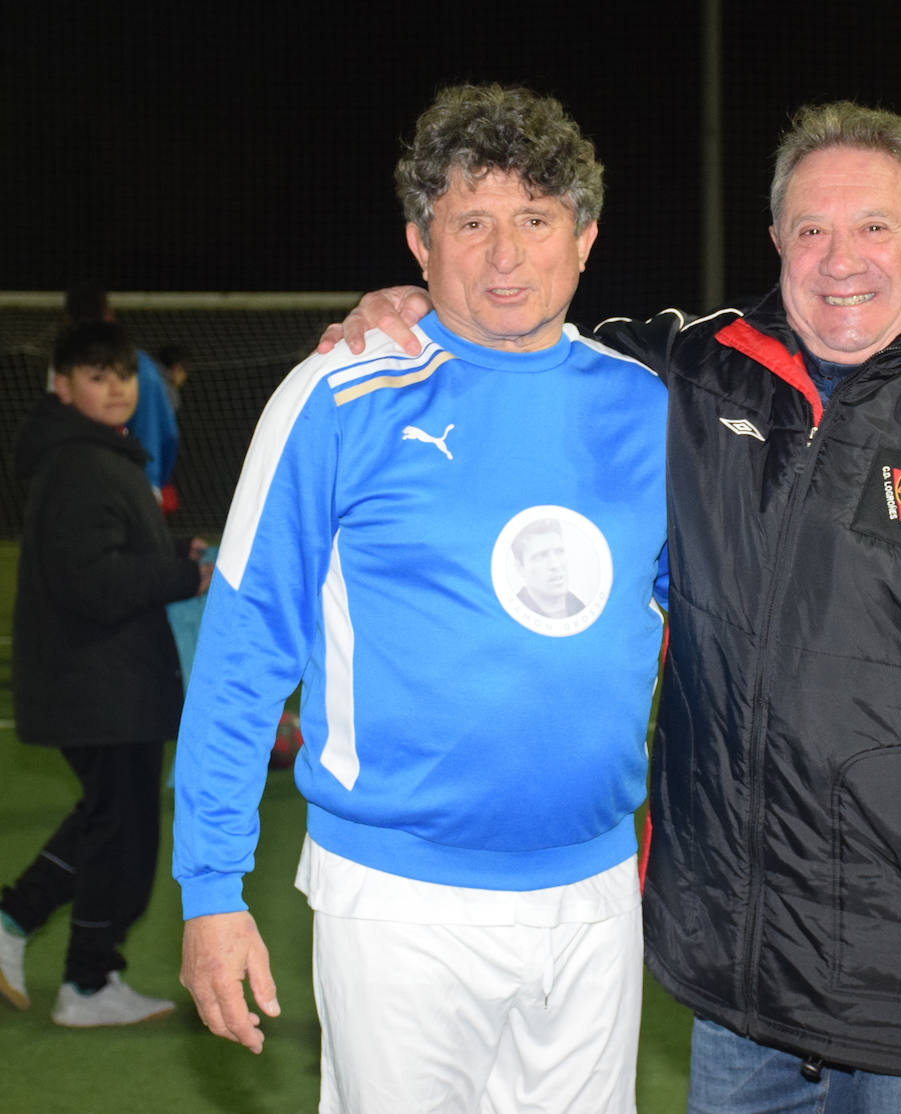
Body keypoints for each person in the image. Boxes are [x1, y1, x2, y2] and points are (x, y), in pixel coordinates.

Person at [329, 100, 901, 1113]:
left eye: (872, 227)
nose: (840, 260)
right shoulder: (700, 375)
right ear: (777, 243)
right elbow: (528, 338)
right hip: (743, 1001)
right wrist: (418, 308)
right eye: (811, 229)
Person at [172, 84, 668, 1114]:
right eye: (470, 222)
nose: (504, 255)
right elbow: (243, 650)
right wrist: (212, 889)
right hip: (398, 901)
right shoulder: (338, 396)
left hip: (593, 894)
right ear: (418, 243)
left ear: (584, 238)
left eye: (534, 220)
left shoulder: (651, 407)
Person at [0, 321, 210, 1026]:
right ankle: (83, 977)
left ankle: (55, 952)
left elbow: (113, 554)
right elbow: (93, 582)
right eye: (97, 375)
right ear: (61, 385)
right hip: (100, 684)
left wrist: (180, 550)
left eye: (122, 374)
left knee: (108, 819)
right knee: (118, 826)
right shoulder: (81, 463)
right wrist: (187, 573)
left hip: (106, 682)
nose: (116, 387)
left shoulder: (97, 455)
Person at [63, 285, 181, 507]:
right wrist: (157, 480)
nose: (115, 390)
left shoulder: (65, 369)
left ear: (67, 318)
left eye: (123, 379)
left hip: (80, 486)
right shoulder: (141, 366)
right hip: (136, 486)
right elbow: (169, 435)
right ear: (109, 315)